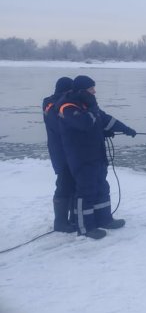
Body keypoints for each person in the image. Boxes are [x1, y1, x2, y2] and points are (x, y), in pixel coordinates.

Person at [57, 75, 137, 239]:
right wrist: (93, 109)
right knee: (86, 191)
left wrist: (126, 129)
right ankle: (85, 227)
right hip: (81, 157)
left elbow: (105, 119)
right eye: (91, 88)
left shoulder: (88, 104)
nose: (94, 91)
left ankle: (104, 219)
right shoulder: (67, 107)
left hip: (97, 154)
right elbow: (85, 123)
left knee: (101, 187)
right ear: (82, 90)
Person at [43, 77, 77, 232]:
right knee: (64, 183)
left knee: (74, 183)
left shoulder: (67, 103)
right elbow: (58, 123)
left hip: (71, 151)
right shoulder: (50, 104)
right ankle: (61, 222)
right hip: (60, 152)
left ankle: (74, 217)